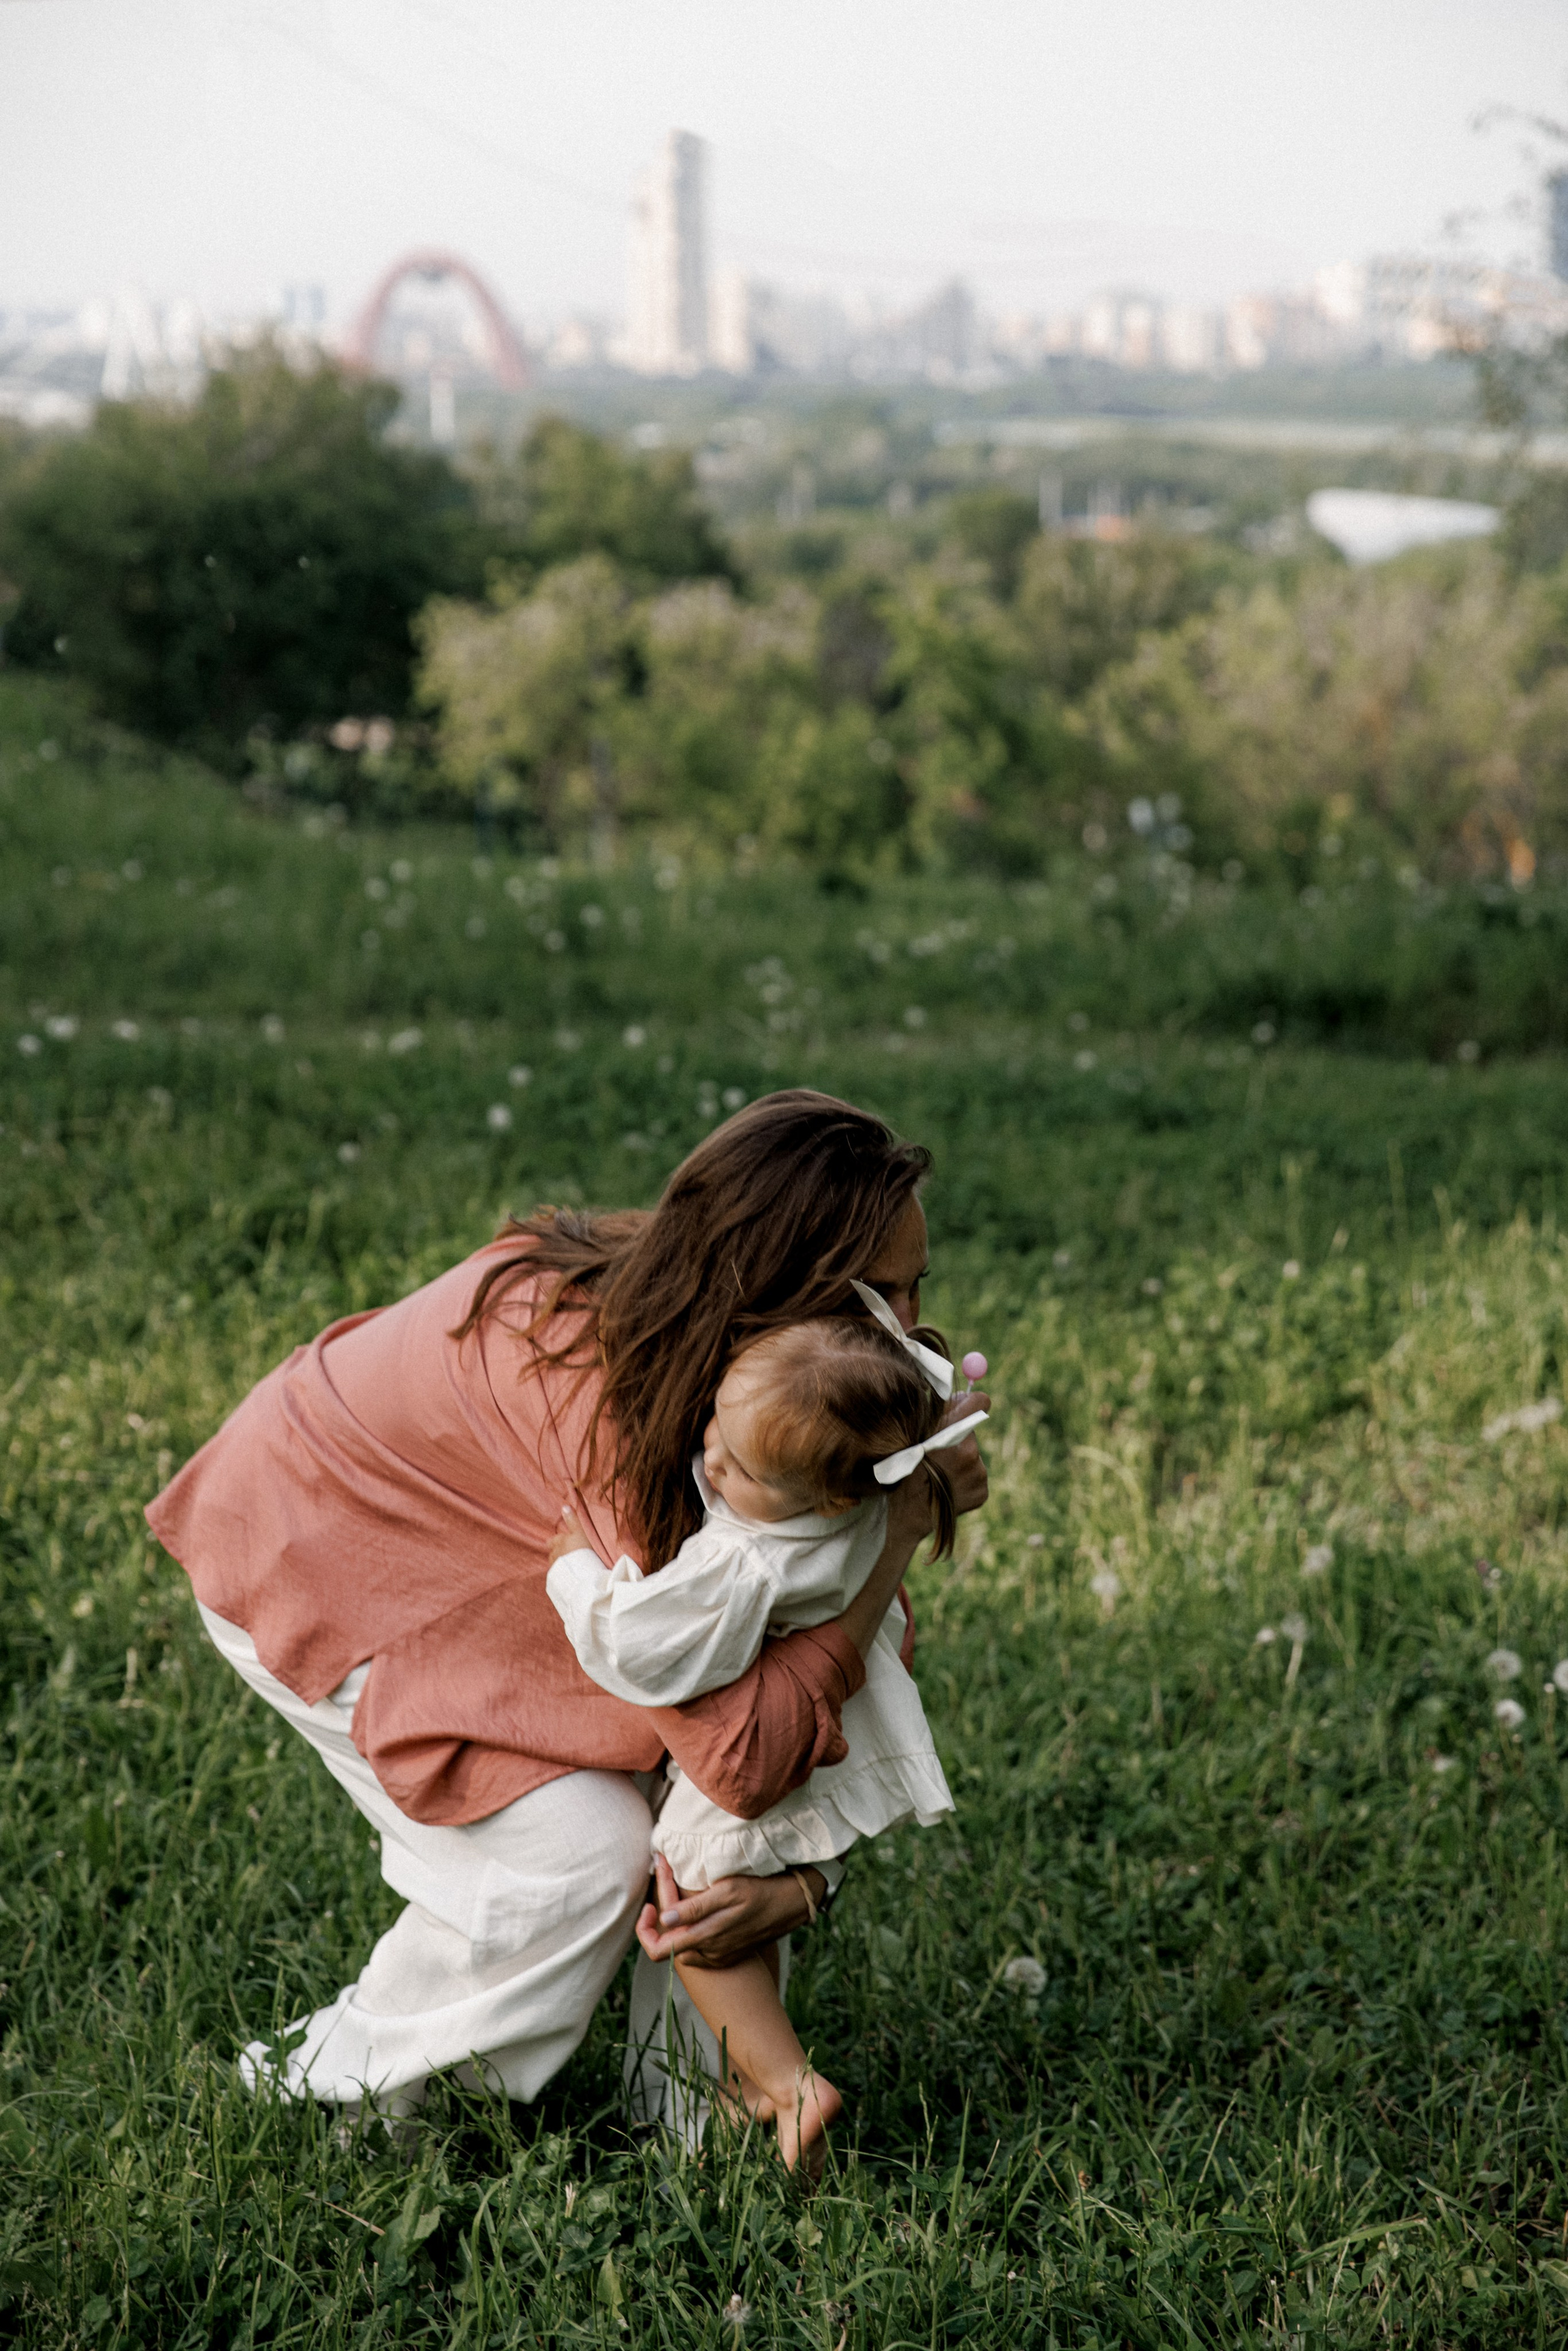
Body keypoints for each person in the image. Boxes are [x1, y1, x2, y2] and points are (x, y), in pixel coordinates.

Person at [145, 1090, 989, 2121]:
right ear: (781, 1284)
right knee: (578, 1851)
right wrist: (898, 1530)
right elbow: (741, 1756)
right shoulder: (609, 1408)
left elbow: (829, 1659)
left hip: (495, 1546)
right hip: (314, 1541)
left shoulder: (757, 1383)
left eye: (917, 1287)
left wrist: (806, 1879)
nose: (910, 1329)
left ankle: (702, 2110)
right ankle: (335, 2103)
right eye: (879, 1295)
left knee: (692, 1741)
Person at [546, 1303, 986, 2168]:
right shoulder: (862, 1491)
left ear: (826, 1493)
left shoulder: (744, 1560)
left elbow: (637, 1646)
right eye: (718, 1423)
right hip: (830, 1733)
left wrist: (573, 1569)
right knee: (741, 1916)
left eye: (744, 1467)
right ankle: (747, 2079)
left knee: (696, 1921)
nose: (713, 1457)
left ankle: (787, 2084)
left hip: (763, 1759)